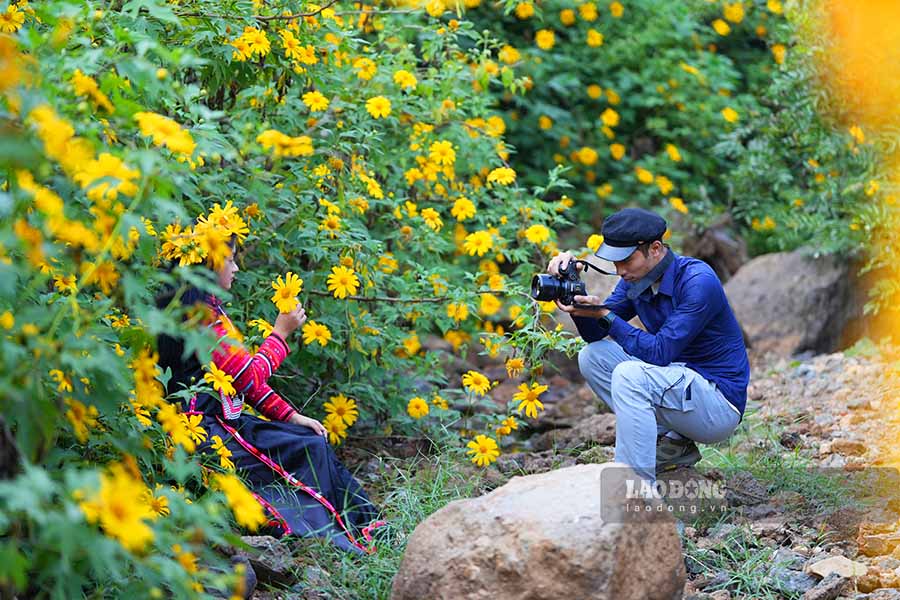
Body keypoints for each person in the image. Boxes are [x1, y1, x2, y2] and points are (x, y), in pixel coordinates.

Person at [157, 238, 383, 554]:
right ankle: (330, 537)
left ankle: (364, 529)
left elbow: (242, 381)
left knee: (311, 439)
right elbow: (249, 376)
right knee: (306, 450)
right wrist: (280, 333)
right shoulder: (200, 318)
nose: (236, 268)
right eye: (231, 260)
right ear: (208, 264)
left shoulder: (207, 310)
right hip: (205, 434)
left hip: (225, 423)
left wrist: (292, 416)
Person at [547, 207, 750, 486]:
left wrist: (604, 314)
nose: (620, 270)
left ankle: (637, 488)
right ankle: (669, 444)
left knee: (629, 375)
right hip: (679, 387)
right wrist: (575, 296)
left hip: (717, 403)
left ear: (655, 248)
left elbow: (659, 352)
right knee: (593, 357)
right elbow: (595, 334)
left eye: (626, 260)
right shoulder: (636, 278)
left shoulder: (697, 281)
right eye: (615, 262)